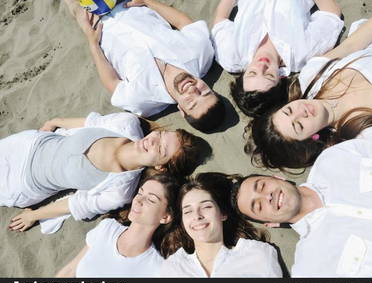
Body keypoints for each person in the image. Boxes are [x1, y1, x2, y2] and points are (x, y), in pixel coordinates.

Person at [246, 0, 372, 171]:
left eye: (289, 110)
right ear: (312, 139)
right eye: (298, 125)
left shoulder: (312, 78)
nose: (301, 112)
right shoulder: (363, 136)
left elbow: (352, 44)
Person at [233, 138, 372, 277]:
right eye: (258, 206)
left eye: (262, 185)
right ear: (269, 223)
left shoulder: (336, 158)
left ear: (277, 177)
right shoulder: (310, 270)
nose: (267, 196)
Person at [5, 111, 208, 234]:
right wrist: (55, 121)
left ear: (160, 167)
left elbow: (77, 205)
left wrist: (34, 216)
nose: (153, 140)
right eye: (161, 135)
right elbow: (90, 122)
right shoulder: (126, 124)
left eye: (161, 149)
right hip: (28, 144)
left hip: (22, 184)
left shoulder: (120, 190)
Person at [64, 0, 225, 133]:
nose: (193, 90)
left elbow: (112, 83)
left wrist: (92, 42)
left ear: (182, 110)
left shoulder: (144, 100)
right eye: (204, 92)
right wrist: (148, 2)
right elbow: (184, 23)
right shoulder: (202, 54)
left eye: (192, 103)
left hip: (95, 21)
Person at [212, 0, 344, 117]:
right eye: (269, 75)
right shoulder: (302, 52)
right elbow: (331, 13)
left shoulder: (231, 56)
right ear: (280, 79)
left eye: (252, 73)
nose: (262, 66)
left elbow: (220, 19)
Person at [159, 172, 283, 278]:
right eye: (188, 211)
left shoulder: (257, 254)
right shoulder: (172, 269)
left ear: (222, 214)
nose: (197, 216)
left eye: (206, 206)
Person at [56, 174, 180, 277]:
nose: (138, 200)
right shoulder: (107, 228)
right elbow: (70, 270)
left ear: (165, 217)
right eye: (140, 193)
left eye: (151, 200)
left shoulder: (156, 269)